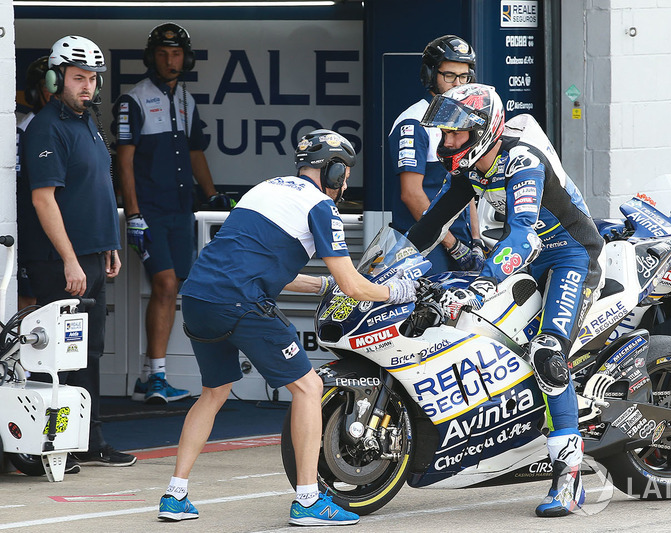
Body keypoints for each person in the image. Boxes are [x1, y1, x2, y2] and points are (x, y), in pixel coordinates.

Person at [157, 129, 417, 526]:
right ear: (331, 172)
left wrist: (320, 284)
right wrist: (397, 290)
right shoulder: (320, 207)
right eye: (344, 173)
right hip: (240, 302)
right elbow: (354, 286)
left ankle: (175, 495)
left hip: (198, 297)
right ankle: (309, 501)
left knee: (213, 393)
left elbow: (253, 261)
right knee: (309, 387)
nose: (345, 182)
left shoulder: (263, 190)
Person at [406, 83, 604, 517]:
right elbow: (429, 225)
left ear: (483, 130)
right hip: (526, 258)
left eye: (455, 133)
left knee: (548, 353)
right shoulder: (473, 169)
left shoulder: (521, 160)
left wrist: (483, 279)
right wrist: (386, 268)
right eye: (444, 133)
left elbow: (523, 234)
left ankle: (570, 476)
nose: (446, 141)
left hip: (570, 255)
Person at [19, 35, 137, 467]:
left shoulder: (86, 121)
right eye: (77, 78)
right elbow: (43, 200)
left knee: (88, 353)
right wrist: (70, 258)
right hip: (58, 262)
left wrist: (107, 245)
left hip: (90, 256)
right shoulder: (46, 127)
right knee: (57, 358)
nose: (86, 86)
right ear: (56, 79)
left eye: (92, 79)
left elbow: (93, 189)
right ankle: (51, 442)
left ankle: (89, 439)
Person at [112, 22, 234, 404]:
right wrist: (132, 214)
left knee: (174, 287)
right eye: (163, 54)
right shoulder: (133, 100)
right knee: (165, 285)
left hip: (181, 213)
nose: (170, 60)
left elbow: (196, 152)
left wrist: (212, 195)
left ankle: (149, 377)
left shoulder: (186, 99)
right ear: (152, 58)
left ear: (186, 57)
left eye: (176, 53)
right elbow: (124, 162)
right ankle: (157, 376)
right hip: (148, 214)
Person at [387, 34, 483, 274]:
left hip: (459, 242)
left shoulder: (463, 121)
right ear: (431, 75)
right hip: (424, 245)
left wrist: (476, 240)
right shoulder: (413, 121)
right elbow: (411, 194)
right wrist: (454, 247)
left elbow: (466, 186)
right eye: (449, 75)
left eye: (464, 76)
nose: (458, 84)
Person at [16, 56, 51, 311]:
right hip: (31, 234)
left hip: (62, 239)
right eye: (49, 85)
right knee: (30, 302)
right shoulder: (22, 131)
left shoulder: (74, 127)